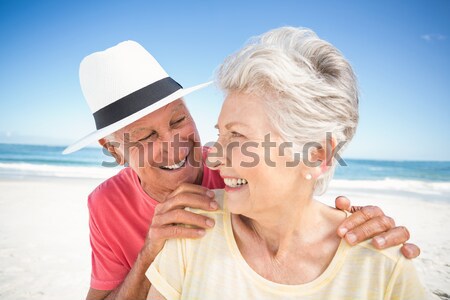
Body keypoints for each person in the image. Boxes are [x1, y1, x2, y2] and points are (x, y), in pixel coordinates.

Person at [63, 40, 420, 300]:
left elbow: (298, 198)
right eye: (145, 136)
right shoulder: (106, 204)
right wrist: (151, 250)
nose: (175, 144)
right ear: (113, 149)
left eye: (179, 120)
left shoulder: (236, 180)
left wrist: (361, 226)